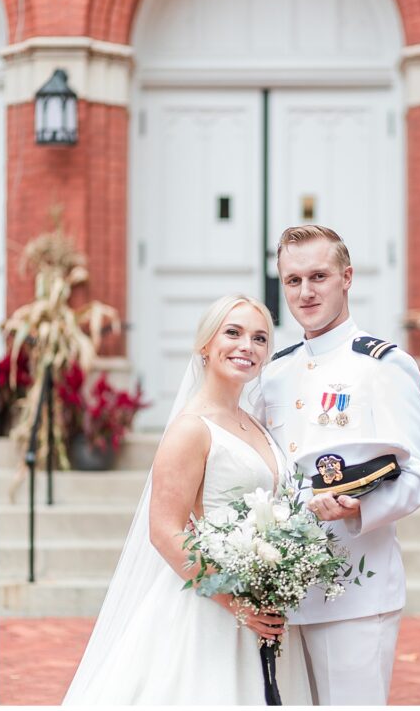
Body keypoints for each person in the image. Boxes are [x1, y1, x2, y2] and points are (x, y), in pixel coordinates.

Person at [64, 295, 312, 704]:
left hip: (262, 604)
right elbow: (164, 531)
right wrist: (234, 603)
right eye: (232, 333)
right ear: (205, 345)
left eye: (259, 338)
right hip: (209, 611)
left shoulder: (255, 424)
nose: (246, 346)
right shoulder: (191, 428)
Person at [256, 224, 420, 705]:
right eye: (293, 280)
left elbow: (417, 476)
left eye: (318, 276)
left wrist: (358, 510)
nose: (306, 292)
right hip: (285, 595)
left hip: (354, 590)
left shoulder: (383, 366)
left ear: (347, 277)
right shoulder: (273, 374)